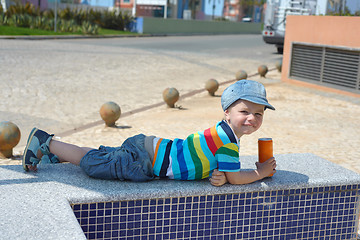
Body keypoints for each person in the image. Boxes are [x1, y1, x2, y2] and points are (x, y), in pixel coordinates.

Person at [22, 80, 277, 187]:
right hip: (144, 161)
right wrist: (260, 173)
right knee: (93, 165)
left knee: (104, 156)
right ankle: (46, 142)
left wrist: (217, 174)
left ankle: (58, 154)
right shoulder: (228, 142)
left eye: (259, 114)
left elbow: (205, 160)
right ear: (227, 113)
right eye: (245, 111)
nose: (252, 118)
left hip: (148, 149)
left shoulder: (222, 133)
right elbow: (235, 179)